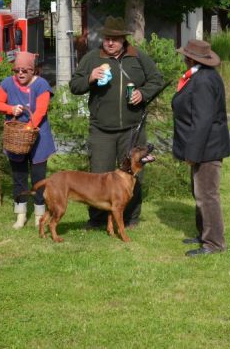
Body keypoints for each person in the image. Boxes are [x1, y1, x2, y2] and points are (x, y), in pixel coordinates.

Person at [69, 16, 165, 229]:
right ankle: (97, 220)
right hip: (101, 130)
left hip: (132, 130)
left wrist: (143, 93)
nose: (110, 42)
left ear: (124, 39)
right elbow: (74, 86)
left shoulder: (138, 57)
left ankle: (131, 219)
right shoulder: (92, 58)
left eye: (115, 38)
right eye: (107, 38)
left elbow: (157, 79)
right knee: (97, 176)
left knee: (134, 175)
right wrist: (90, 78)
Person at [171, 39, 230, 257]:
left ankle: (214, 243)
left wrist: (192, 153)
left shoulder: (203, 81)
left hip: (207, 148)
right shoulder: (200, 77)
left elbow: (203, 120)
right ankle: (203, 233)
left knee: (207, 195)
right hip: (204, 146)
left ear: (189, 58)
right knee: (200, 192)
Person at [0, 51, 56, 229]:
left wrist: (29, 127)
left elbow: (41, 110)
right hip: (16, 138)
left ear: (33, 70)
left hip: (39, 137)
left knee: (38, 178)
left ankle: (39, 214)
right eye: (17, 70)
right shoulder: (7, 83)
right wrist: (11, 109)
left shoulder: (41, 85)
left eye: (25, 70)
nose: (20, 74)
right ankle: (20, 215)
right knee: (19, 177)